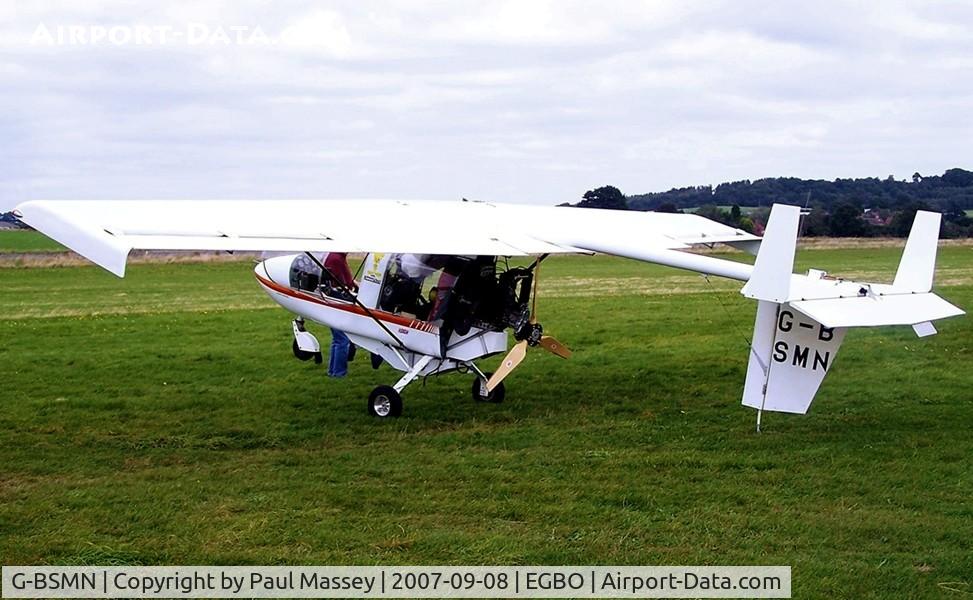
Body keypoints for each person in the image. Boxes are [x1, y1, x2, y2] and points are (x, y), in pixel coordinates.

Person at [323, 252, 358, 377]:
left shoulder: (336, 256)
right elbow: (345, 282)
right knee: (343, 339)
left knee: (337, 339)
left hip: (332, 298)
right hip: (337, 300)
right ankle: (339, 373)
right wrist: (353, 285)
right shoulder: (337, 258)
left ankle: (333, 371)